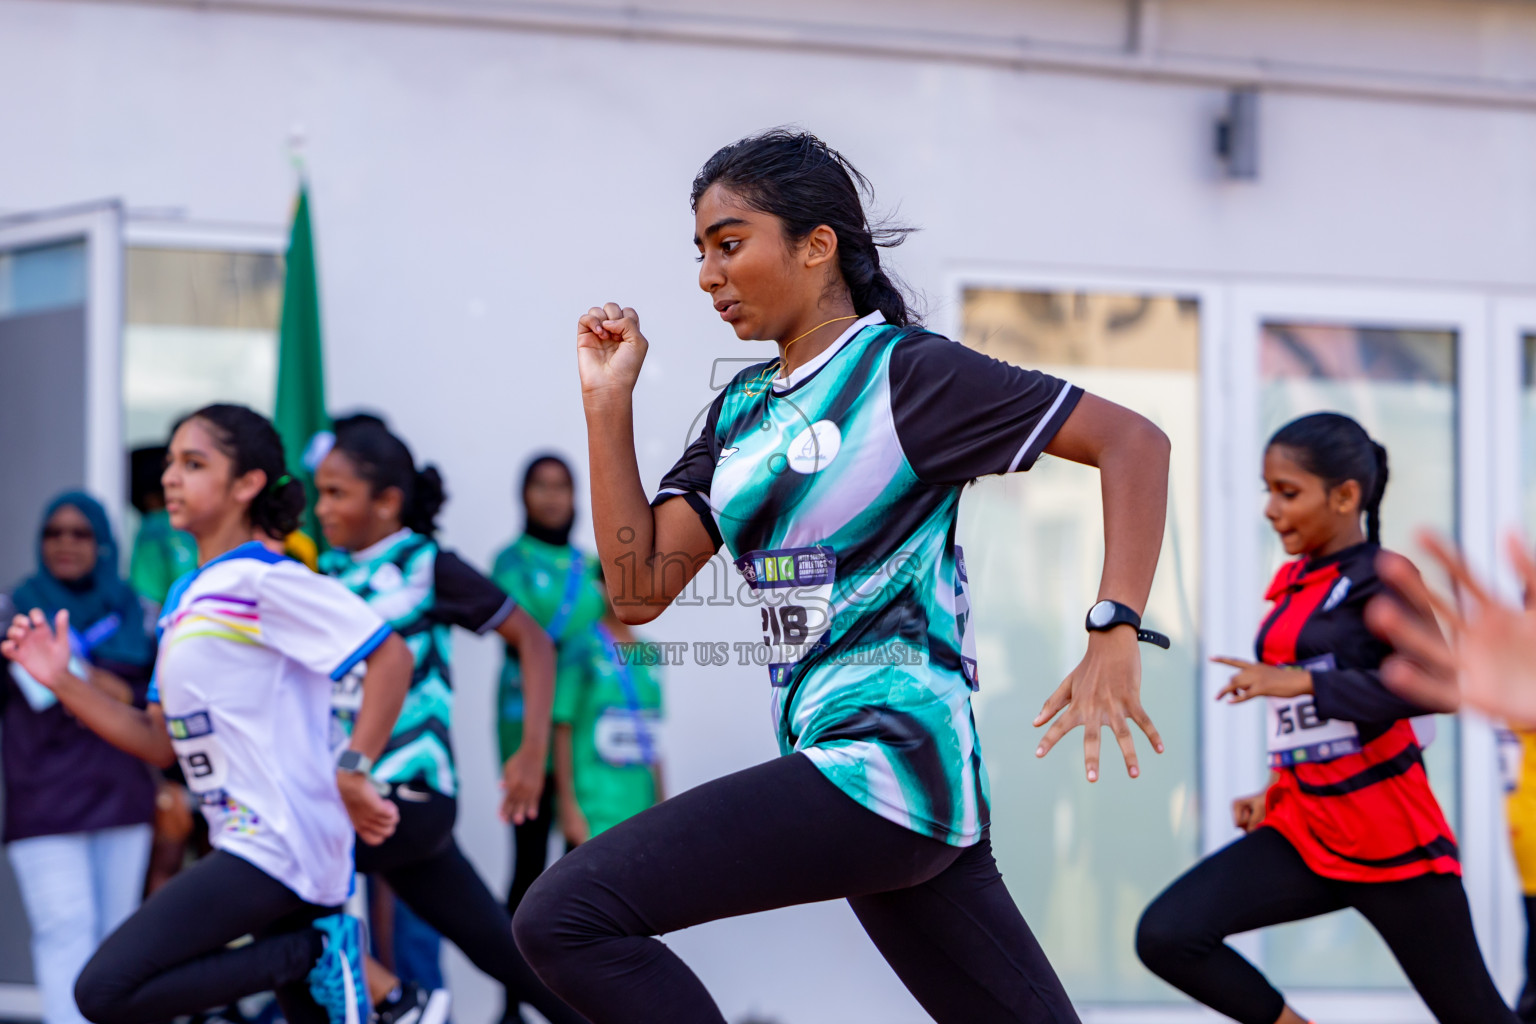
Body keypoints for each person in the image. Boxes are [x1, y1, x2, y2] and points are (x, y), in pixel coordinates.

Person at [511, 129, 1173, 1024]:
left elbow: (1134, 441)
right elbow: (637, 587)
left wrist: (1115, 626)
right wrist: (605, 403)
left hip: (885, 763)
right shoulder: (740, 414)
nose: (708, 274)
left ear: (818, 245)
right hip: (882, 783)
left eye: (730, 243)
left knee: (566, 917)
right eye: (700, 252)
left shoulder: (907, 374)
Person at [2, 403, 414, 1024]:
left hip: (281, 844)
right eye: (170, 463)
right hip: (250, 842)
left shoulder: (263, 578)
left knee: (104, 990)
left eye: (193, 463)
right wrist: (62, 680)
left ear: (247, 483)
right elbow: (157, 741)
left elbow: (390, 657)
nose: (171, 477)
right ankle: (314, 953)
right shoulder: (185, 598)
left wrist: (354, 768)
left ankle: (315, 952)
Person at [1135, 412, 1514, 1024]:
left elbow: (1443, 686)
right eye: (1268, 492)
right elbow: (1313, 724)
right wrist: (1277, 784)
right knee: (1168, 935)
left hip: (1390, 836)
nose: (1270, 509)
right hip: (1305, 826)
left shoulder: (1384, 579)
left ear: (1345, 496)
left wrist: (1307, 679)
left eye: (1288, 493)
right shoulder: (1299, 581)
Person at [313, 418, 585, 1024]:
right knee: (507, 954)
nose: (321, 506)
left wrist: (529, 755)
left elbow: (534, 644)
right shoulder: (324, 573)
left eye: (335, 493)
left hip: (407, 795)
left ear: (385, 502)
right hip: (355, 797)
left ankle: (399, 1001)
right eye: (319, 492)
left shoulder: (424, 564)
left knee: (275, 886)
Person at [2, 492, 158, 1024]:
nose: (66, 544)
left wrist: (78, 677)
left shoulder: (138, 613)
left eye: (81, 533)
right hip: (44, 802)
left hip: (122, 796)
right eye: (54, 533)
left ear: (104, 542)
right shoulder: (16, 612)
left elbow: (156, 705)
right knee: (64, 928)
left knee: (118, 937)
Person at [492, 455, 608, 910]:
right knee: (529, 860)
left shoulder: (593, 566)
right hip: (525, 722)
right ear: (524, 494)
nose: (552, 496)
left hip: (581, 725)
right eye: (541, 485)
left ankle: (566, 975)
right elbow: (522, 636)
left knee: (582, 860)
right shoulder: (510, 560)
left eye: (562, 486)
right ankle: (518, 981)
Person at [552, 570, 664, 847]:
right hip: (593, 807)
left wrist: (663, 801)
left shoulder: (651, 652)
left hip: (641, 805)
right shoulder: (581, 646)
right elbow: (561, 727)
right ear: (601, 584)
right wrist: (567, 808)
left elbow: (653, 733)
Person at [127, 446, 198, 609]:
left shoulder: (155, 528)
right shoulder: (157, 528)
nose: (169, 479)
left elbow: (147, 597)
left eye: (194, 465)